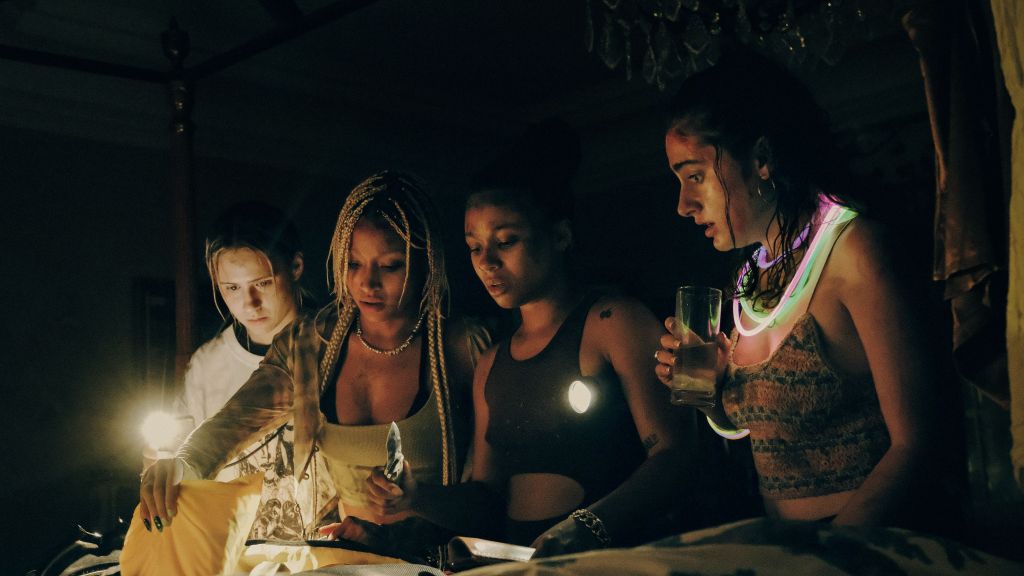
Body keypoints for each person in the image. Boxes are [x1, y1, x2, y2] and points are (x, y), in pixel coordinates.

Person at [364, 122, 690, 557]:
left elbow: (675, 455)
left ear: (560, 236)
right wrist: (416, 496)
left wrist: (588, 526)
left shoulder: (613, 322)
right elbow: (487, 500)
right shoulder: (490, 364)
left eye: (506, 241)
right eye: (475, 247)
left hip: (606, 564)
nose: (487, 262)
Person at [139, 171, 490, 551]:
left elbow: (491, 503)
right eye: (354, 264)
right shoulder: (311, 344)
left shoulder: (463, 347)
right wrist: (182, 464)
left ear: (425, 263)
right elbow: (232, 422)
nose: (367, 284)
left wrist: (416, 498)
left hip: (435, 564)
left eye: (390, 266)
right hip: (348, 560)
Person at [654, 51, 932, 526]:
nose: (683, 205)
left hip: (874, 544)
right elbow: (762, 433)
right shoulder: (752, 280)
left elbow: (919, 443)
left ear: (762, 159)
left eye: (695, 175)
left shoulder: (856, 251)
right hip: (789, 544)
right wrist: (711, 393)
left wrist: (828, 552)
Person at [165, 201, 318, 541]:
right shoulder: (207, 367)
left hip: (323, 545)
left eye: (262, 283)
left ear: (295, 266)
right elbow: (185, 469)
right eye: (232, 288)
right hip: (233, 546)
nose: (249, 303)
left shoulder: (333, 344)